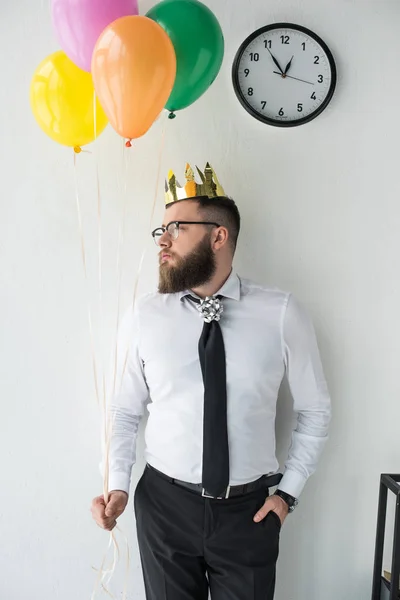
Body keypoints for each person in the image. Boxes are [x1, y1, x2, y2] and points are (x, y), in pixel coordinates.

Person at [91, 163, 331, 600]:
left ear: (218, 236)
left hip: (250, 513)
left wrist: (287, 496)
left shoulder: (281, 313)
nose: (163, 240)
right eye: (161, 230)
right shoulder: (146, 316)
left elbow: (315, 410)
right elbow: (124, 411)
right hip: (164, 507)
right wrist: (118, 486)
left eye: (176, 228)